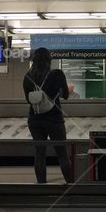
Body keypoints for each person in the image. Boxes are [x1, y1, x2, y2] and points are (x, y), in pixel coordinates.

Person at [23, 47, 72, 184]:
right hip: (54, 118)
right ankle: (70, 184)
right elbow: (66, 96)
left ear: (34, 59)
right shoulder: (57, 74)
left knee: (39, 154)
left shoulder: (28, 76)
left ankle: (41, 185)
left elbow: (28, 99)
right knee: (62, 153)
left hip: (34, 119)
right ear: (49, 59)